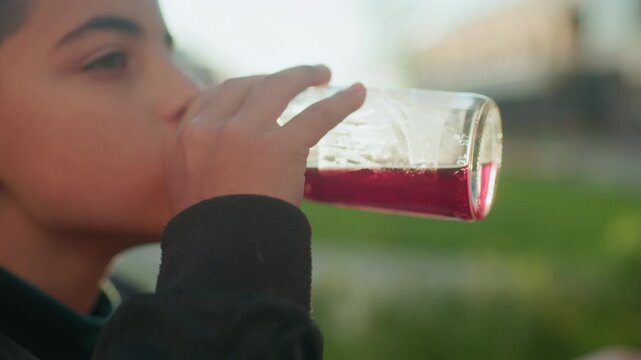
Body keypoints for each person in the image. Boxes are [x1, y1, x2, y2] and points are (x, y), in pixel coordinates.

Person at [0, 0, 366, 359]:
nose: (190, 93)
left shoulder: (156, 317)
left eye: (170, 52)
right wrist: (238, 230)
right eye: (109, 59)